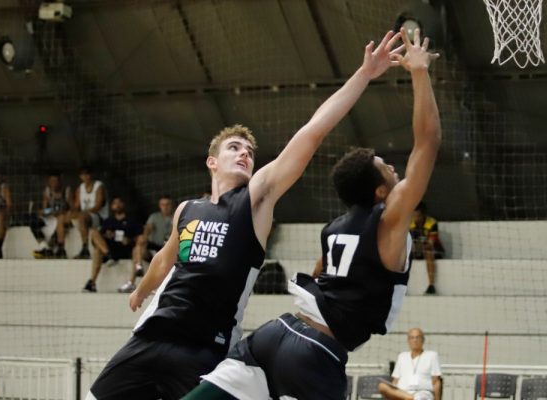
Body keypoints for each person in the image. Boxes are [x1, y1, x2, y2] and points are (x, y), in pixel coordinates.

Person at [85, 30, 405, 400]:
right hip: (150, 339)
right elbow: (165, 257)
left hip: (204, 349)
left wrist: (363, 74)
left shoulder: (255, 201)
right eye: (234, 147)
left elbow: (312, 132)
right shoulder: (187, 210)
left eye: (249, 152)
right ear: (212, 162)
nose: (244, 154)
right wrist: (142, 289)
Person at [184, 27, 441, 400]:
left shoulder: (334, 229)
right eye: (385, 167)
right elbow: (427, 143)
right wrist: (419, 71)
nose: (393, 167)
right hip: (315, 355)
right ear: (381, 191)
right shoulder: (389, 220)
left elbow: (321, 271)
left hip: (275, 334)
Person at [82, 197, 143, 293]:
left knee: (137, 249)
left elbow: (140, 237)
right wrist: (107, 235)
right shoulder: (108, 221)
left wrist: (129, 240)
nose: (117, 205)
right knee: (95, 241)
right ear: (111, 206)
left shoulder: (132, 220)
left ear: (123, 205)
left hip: (126, 248)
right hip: (110, 248)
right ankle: (92, 282)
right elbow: (98, 237)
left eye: (119, 203)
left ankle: (131, 282)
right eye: (115, 203)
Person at [379, 328, 442, 400]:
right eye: (412, 338)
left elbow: (436, 381)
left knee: (419, 398)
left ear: (423, 340)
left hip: (422, 393)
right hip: (402, 393)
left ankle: (410, 398)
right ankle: (409, 397)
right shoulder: (402, 356)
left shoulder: (432, 355)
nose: (415, 340)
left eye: (417, 337)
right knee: (382, 386)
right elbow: (395, 380)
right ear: (408, 340)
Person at [32, 172, 73, 259]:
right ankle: (44, 246)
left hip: (63, 216)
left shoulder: (66, 191)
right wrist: (45, 211)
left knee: (61, 222)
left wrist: (63, 211)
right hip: (51, 216)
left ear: (60, 181)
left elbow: (72, 207)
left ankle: (58, 249)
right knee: (33, 220)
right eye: (51, 181)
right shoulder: (47, 191)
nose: (54, 184)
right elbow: (45, 208)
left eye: (55, 181)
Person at [71, 168, 108, 259]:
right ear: (80, 176)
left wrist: (84, 212)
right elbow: (76, 205)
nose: (86, 177)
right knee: (65, 216)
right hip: (86, 215)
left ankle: (85, 248)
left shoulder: (98, 186)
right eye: (83, 175)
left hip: (99, 216)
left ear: (91, 175)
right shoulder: (80, 188)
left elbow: (98, 205)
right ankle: (59, 246)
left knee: (82, 217)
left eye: (87, 174)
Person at [410, 202, 444, 295]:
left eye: (418, 216)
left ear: (423, 215)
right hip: (417, 250)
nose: (416, 219)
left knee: (428, 251)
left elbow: (431, 243)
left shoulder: (432, 223)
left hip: (435, 250)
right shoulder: (409, 223)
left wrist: (416, 246)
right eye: (414, 216)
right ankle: (400, 285)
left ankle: (431, 286)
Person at [134, 195, 174, 276]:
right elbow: (148, 227)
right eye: (163, 205)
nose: (165, 207)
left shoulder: (176, 217)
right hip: (154, 246)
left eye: (167, 204)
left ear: (171, 205)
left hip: (168, 248)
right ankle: (139, 267)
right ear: (159, 206)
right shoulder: (154, 217)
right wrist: (145, 236)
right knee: (140, 241)